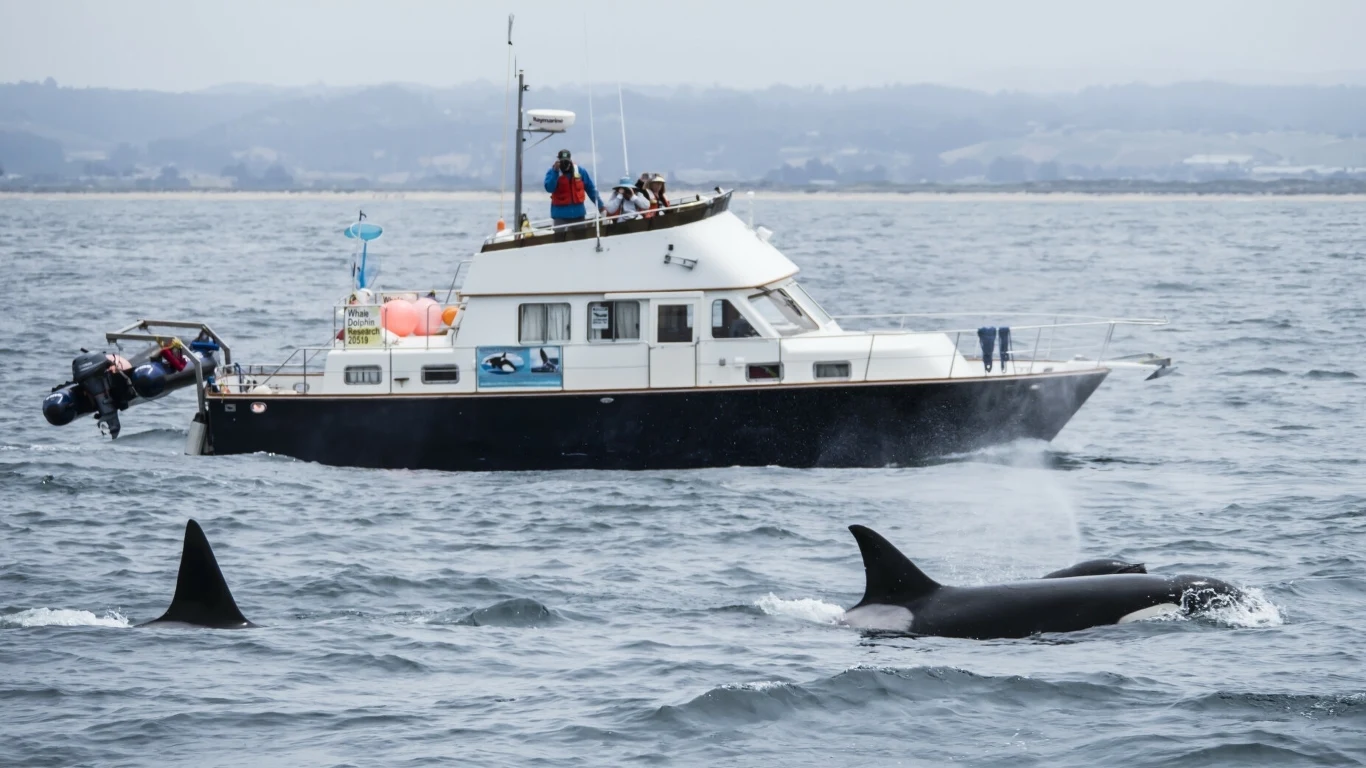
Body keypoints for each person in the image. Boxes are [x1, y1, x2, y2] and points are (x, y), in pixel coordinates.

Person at [544, 149, 603, 227]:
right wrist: (555, 171)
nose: (565, 164)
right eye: (562, 161)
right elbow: (549, 188)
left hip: (579, 215)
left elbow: (591, 189)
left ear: (570, 160)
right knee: (560, 237)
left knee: (581, 237)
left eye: (567, 161)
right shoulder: (552, 172)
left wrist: (600, 206)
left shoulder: (580, 171)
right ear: (558, 161)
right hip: (560, 216)